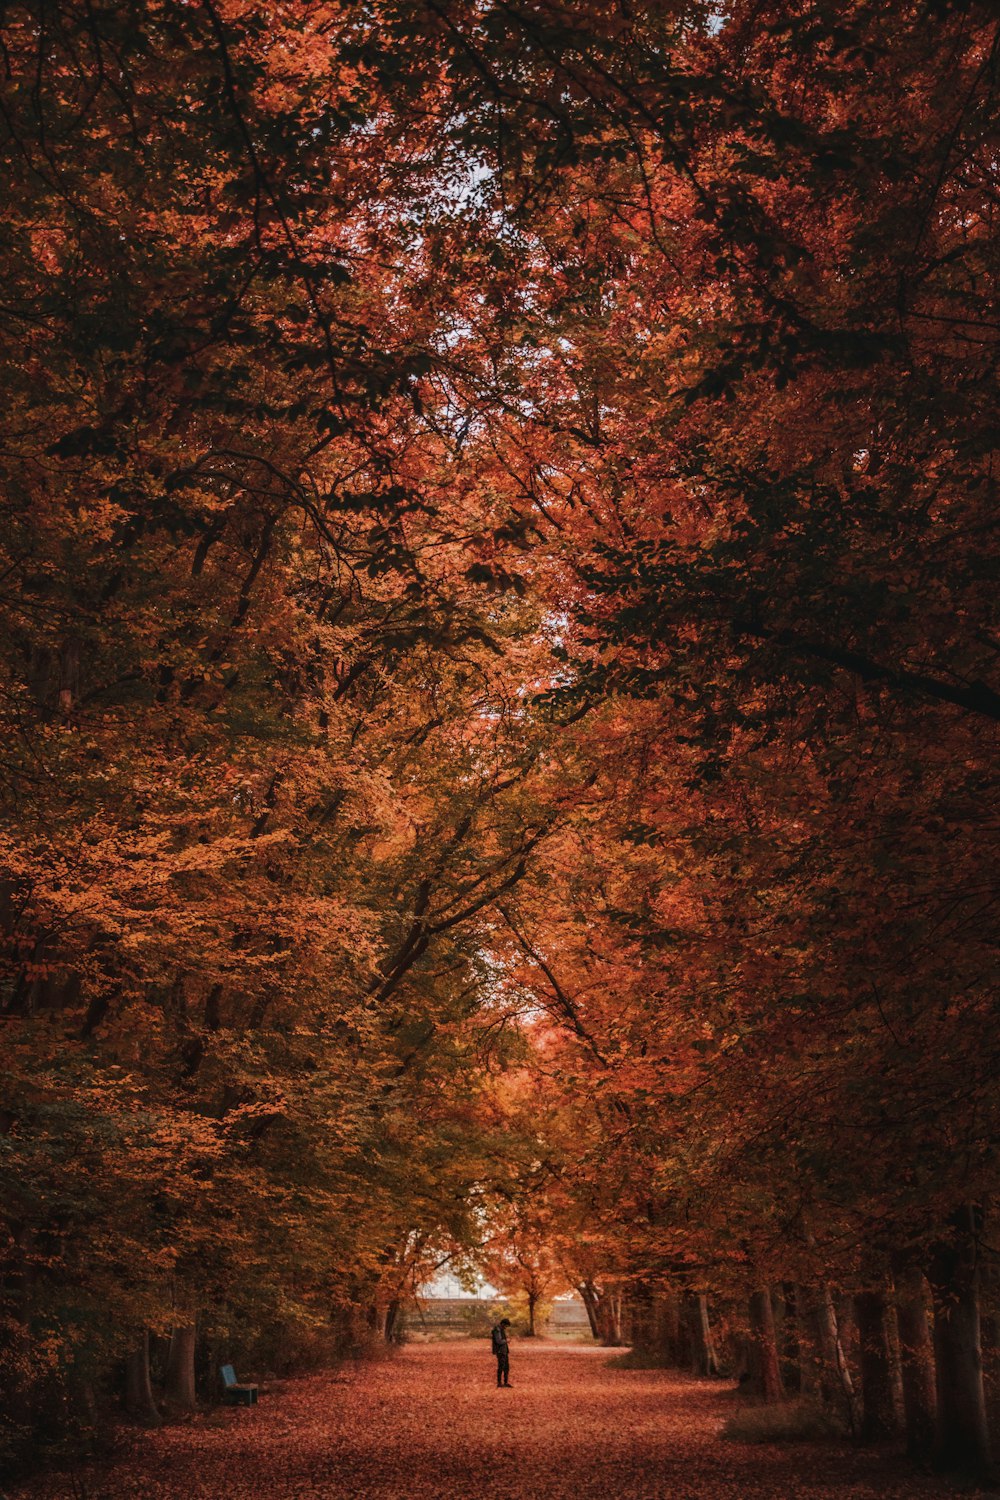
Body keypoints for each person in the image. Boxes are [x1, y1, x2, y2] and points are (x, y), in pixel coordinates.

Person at [490, 1317, 512, 1387]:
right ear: (503, 1324)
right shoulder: (497, 1330)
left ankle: (505, 1382)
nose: (506, 1327)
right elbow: (498, 1341)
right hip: (500, 1351)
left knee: (506, 1367)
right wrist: (506, 1341)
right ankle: (499, 1383)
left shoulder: (501, 1329)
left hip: (504, 1351)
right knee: (501, 1367)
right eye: (506, 1326)